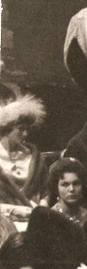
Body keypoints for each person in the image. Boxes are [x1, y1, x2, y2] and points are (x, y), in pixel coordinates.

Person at [0, 92, 48, 233]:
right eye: (20, 129)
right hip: (4, 221)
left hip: (36, 219)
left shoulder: (34, 156)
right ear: (7, 128)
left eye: (27, 129)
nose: (25, 134)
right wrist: (14, 210)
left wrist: (42, 207)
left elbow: (46, 189)